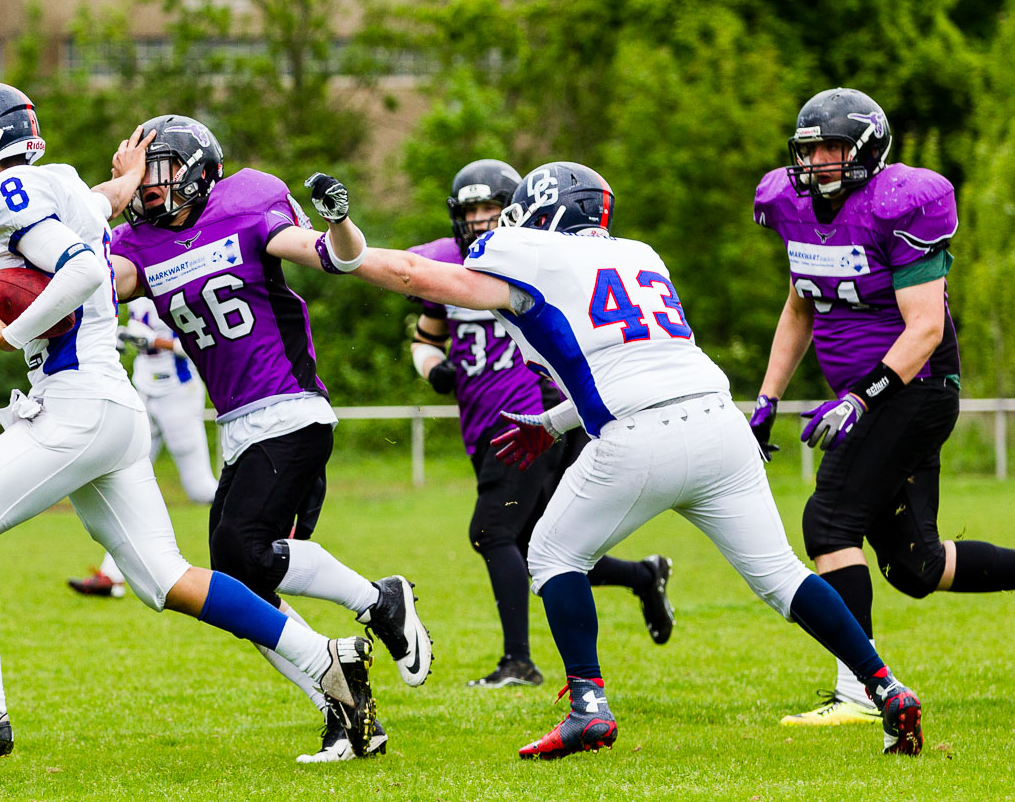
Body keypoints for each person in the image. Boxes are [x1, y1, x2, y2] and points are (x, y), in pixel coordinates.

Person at [345, 160, 923, 758]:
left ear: (548, 212)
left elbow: (414, 272)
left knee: (550, 555)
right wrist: (552, 421)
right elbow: (639, 364)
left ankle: (588, 708)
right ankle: (885, 687)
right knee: (781, 576)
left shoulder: (532, 255)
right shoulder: (640, 255)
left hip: (639, 436)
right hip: (720, 423)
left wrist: (334, 247)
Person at [0, 84, 376, 760]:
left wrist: (16, 331)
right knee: (163, 579)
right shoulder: (55, 183)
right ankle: (324, 657)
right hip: (113, 409)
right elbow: (96, 211)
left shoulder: (7, 194)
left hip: (75, 405)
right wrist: (121, 184)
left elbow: (86, 266)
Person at [108, 114, 430, 763]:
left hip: (290, 407)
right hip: (236, 424)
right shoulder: (137, 243)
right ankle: (345, 707)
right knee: (239, 590)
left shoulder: (247, 202)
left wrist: (340, 221)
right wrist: (101, 198)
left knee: (238, 549)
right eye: (141, 179)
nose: (150, 189)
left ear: (198, 172)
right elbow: (89, 284)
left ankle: (376, 599)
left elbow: (331, 256)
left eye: (160, 174)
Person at [751, 87, 1015, 726]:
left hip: (914, 389)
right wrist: (768, 395)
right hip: (869, 399)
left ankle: (858, 692)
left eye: (832, 148)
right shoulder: (793, 206)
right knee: (915, 564)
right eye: (809, 149)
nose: (817, 162)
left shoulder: (901, 204)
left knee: (829, 525)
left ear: (866, 150)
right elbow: (800, 305)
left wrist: (861, 399)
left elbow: (924, 328)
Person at [409, 159, 673, 688]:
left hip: (535, 416)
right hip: (484, 418)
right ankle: (644, 575)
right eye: (471, 210)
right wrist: (434, 369)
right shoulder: (443, 263)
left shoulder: (538, 260)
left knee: (492, 532)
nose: (481, 219)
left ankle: (518, 662)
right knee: (544, 547)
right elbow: (426, 336)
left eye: (491, 208)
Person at [68, 297, 218, 599]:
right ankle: (111, 576)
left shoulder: (178, 274)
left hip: (178, 391)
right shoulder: (134, 269)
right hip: (141, 389)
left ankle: (273, 519)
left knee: (201, 488)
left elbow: (204, 342)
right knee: (123, 480)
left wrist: (156, 341)